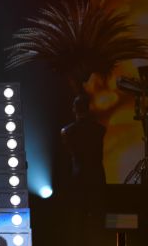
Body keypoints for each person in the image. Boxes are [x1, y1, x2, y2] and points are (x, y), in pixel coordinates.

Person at [61, 95, 106, 246]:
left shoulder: (67, 131)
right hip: (96, 178)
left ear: (74, 109)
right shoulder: (100, 129)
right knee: (98, 218)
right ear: (89, 108)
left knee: (77, 219)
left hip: (78, 178)